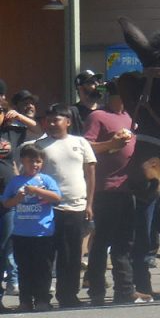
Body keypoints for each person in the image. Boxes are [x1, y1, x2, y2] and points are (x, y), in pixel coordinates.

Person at [83, 87, 148, 305]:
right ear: (112, 96)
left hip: (128, 189)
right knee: (102, 242)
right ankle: (97, 291)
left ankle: (125, 289)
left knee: (125, 242)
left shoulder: (130, 117)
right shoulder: (97, 116)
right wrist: (111, 145)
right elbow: (86, 147)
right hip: (106, 189)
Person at [28, 104, 96, 309]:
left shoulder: (81, 142)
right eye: (48, 119)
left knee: (72, 255)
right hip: (47, 209)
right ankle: (41, 298)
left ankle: (68, 296)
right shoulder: (39, 145)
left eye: (56, 119)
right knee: (45, 256)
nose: (51, 122)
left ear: (68, 122)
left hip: (75, 207)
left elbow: (90, 173)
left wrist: (90, 203)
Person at [2, 144, 62, 312]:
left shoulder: (46, 180)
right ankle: (25, 301)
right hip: (21, 233)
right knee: (25, 269)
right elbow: (6, 202)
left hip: (43, 233)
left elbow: (57, 198)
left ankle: (43, 299)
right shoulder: (16, 182)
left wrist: (38, 191)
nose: (34, 165)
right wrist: (18, 198)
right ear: (22, 161)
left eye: (38, 161)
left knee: (43, 268)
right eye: (30, 161)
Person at [0, 81, 37, 306]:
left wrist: (20, 117)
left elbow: (38, 130)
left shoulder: (12, 129)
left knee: (5, 248)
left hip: (7, 197)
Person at [70, 71, 104, 137]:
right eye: (92, 82)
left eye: (98, 81)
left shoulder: (105, 110)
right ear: (80, 88)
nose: (97, 85)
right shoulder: (72, 112)